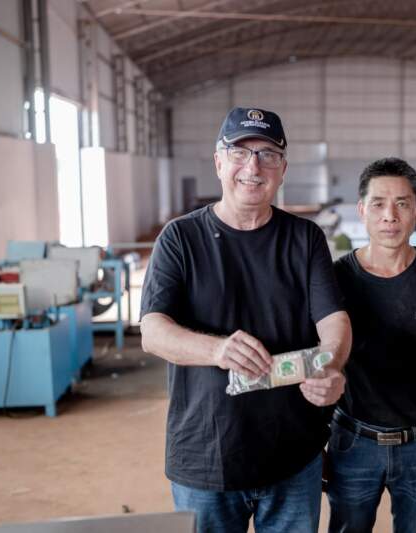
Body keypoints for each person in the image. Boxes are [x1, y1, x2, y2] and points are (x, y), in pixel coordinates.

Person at [140, 106, 352, 533]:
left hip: (293, 457)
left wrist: (329, 365)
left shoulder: (304, 238)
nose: (253, 166)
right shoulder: (180, 238)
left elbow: (335, 323)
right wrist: (217, 349)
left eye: (267, 154)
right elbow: (153, 332)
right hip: (206, 459)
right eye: (239, 152)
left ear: (282, 168)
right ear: (219, 162)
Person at [327, 158, 416, 533]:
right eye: (378, 204)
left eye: (402, 203)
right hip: (352, 443)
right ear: (362, 210)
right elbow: (318, 368)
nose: (390, 215)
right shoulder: (334, 281)